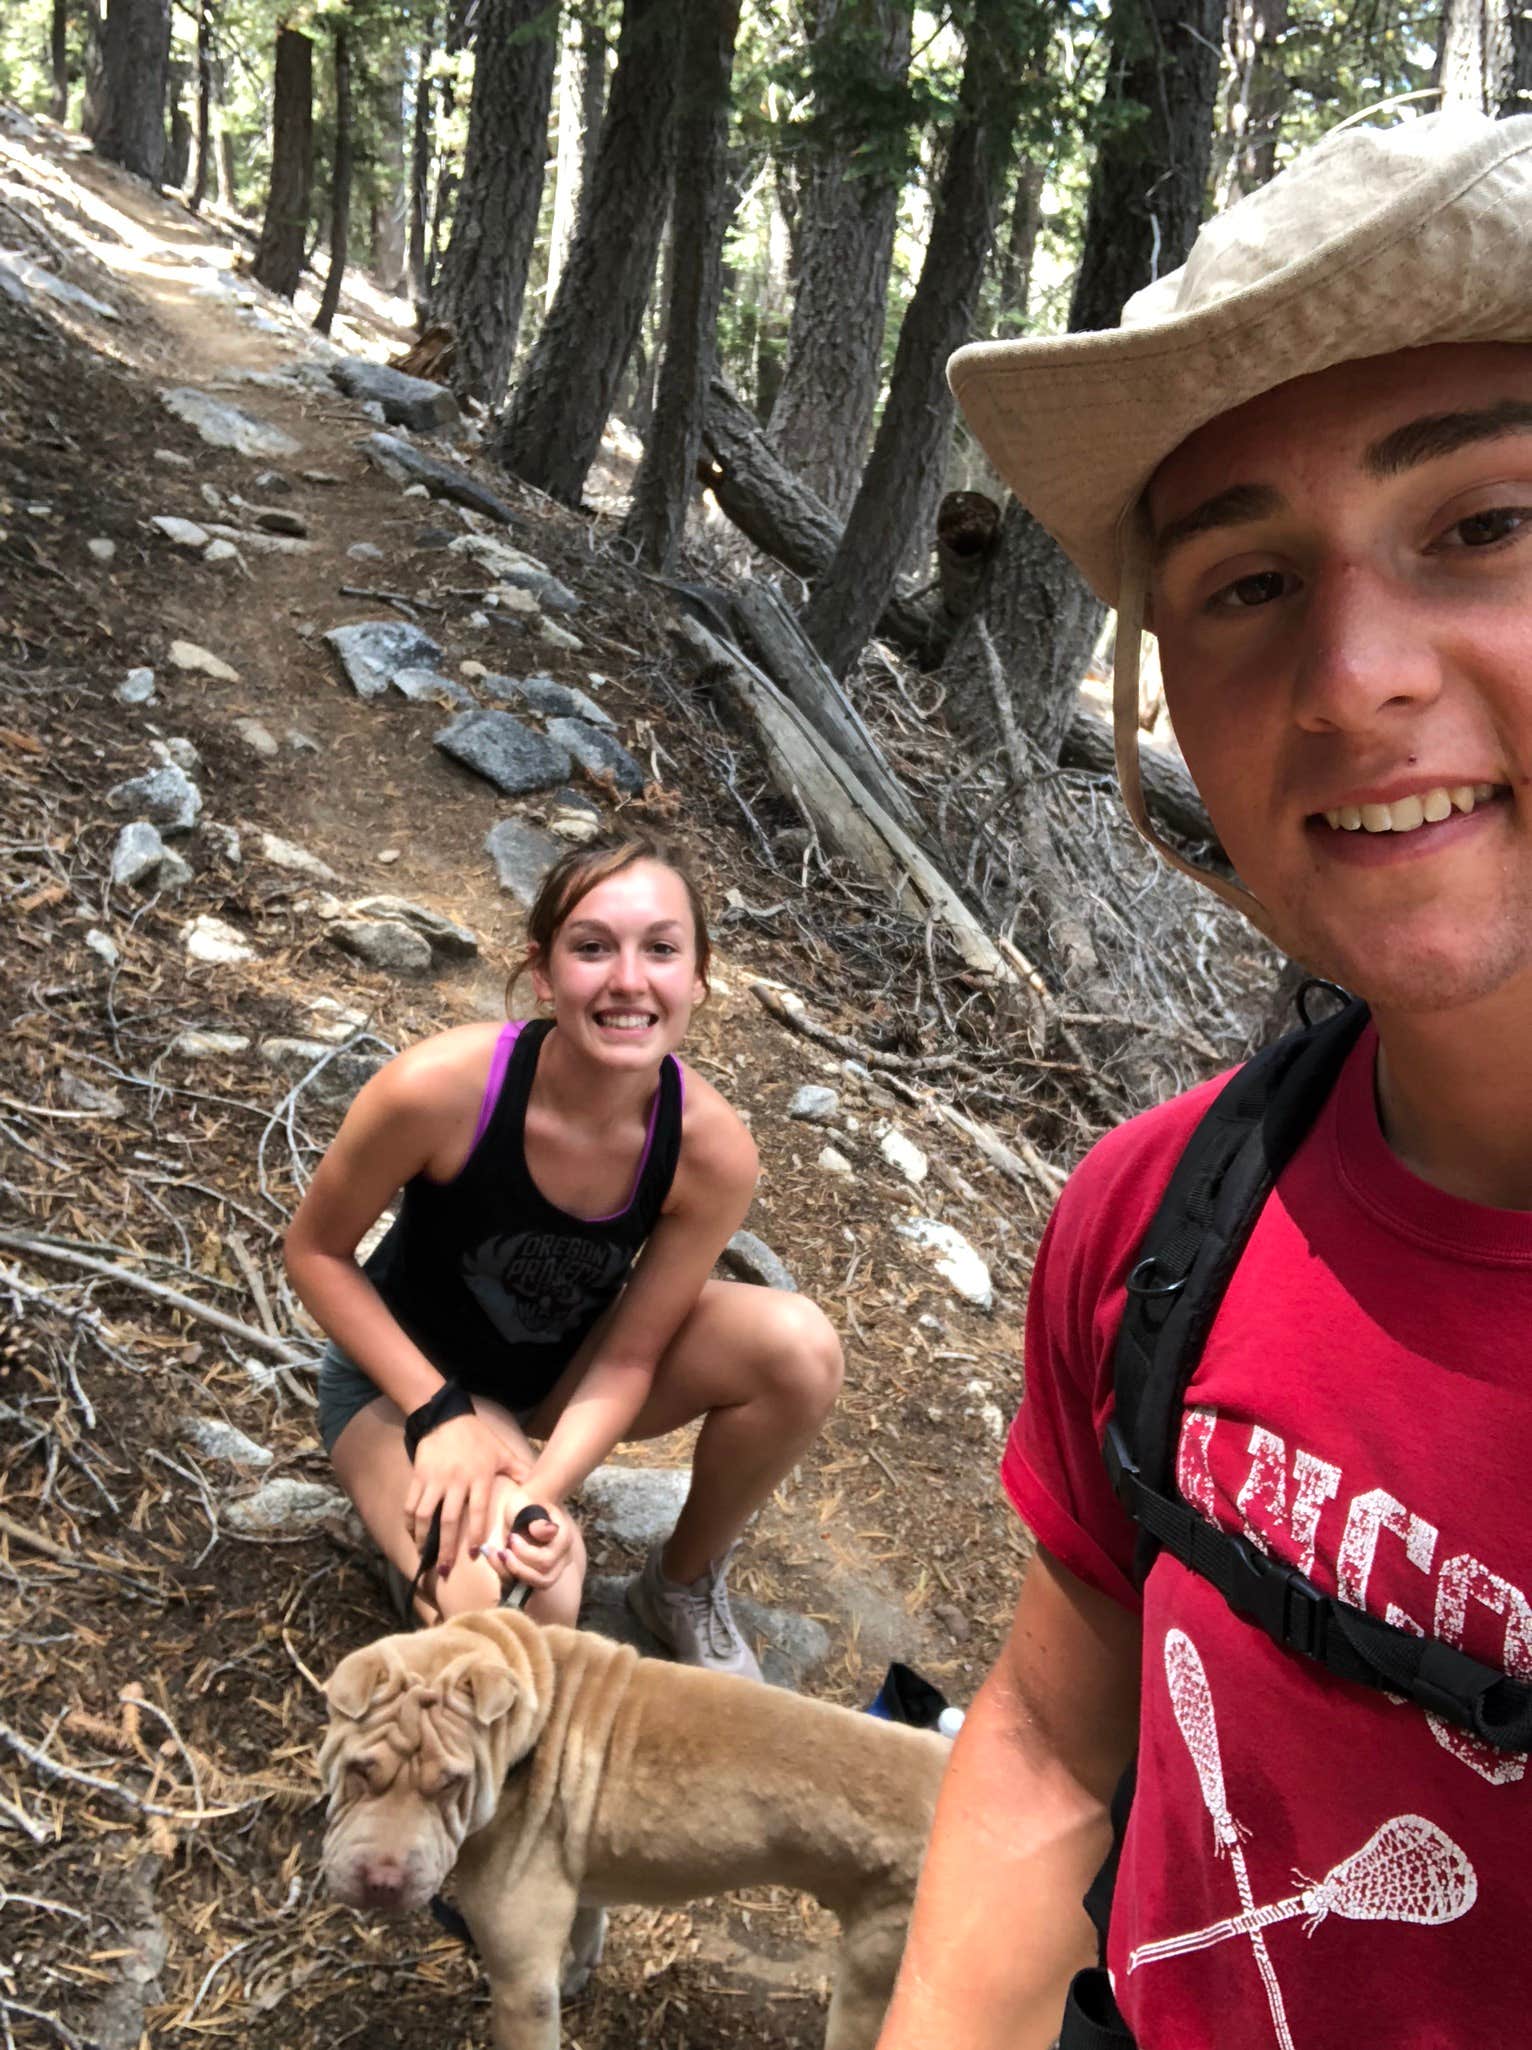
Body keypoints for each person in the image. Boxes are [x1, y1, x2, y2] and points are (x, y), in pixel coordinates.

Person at [877, 110, 1532, 2049]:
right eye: (1244, 582)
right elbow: (1050, 1735)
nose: (1347, 679)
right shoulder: (1160, 1217)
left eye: (1483, 523)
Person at [285, 834, 843, 1678]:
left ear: (696, 978)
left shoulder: (709, 1150)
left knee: (798, 1349)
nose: (628, 980)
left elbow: (629, 1356)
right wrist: (441, 1416)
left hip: (553, 1374)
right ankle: (424, 1538)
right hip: (399, 1379)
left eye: (660, 949)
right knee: (531, 1606)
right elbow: (315, 1252)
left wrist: (539, 1493)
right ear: (544, 974)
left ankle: (680, 1583)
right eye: (592, 948)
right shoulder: (440, 1090)